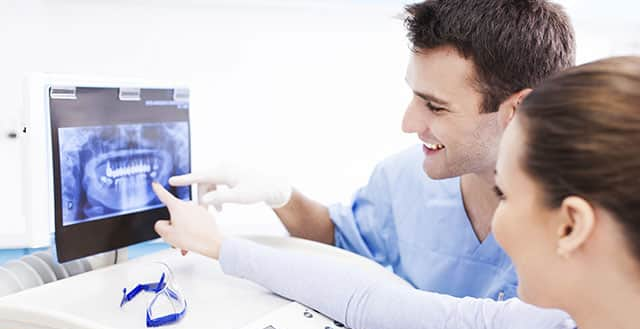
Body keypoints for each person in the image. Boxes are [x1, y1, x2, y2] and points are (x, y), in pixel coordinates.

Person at [152, 56, 640, 329]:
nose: (410, 123)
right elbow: (368, 300)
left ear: (571, 225)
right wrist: (222, 246)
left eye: (509, 196)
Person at [169, 0, 575, 300]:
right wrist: (284, 197)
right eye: (414, 96)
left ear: (518, 107)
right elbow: (340, 243)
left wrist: (226, 248)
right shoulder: (405, 179)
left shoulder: (592, 217)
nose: (408, 124)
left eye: (435, 106)